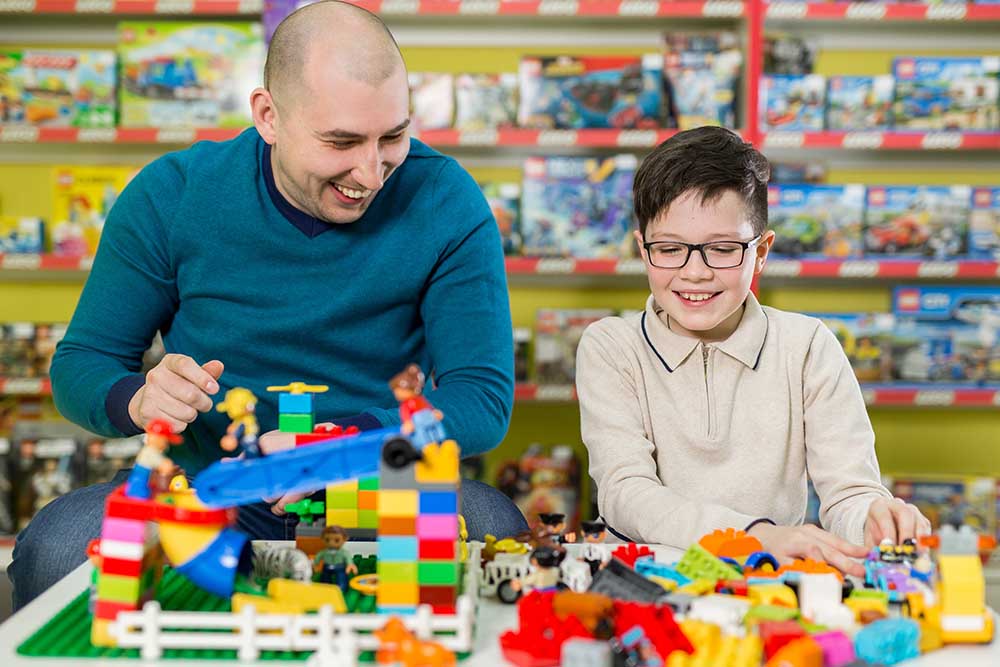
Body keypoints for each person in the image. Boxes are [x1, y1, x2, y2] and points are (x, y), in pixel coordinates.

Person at [9, 0, 527, 612]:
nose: (373, 171)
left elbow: (481, 400)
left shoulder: (447, 200)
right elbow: (81, 365)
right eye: (340, 141)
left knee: (497, 532)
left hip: (380, 483)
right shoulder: (172, 193)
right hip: (205, 492)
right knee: (59, 545)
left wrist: (342, 446)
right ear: (268, 116)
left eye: (393, 135)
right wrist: (139, 398)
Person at [575, 126, 930, 578]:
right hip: (643, 581)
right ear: (642, 249)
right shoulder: (611, 346)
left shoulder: (807, 347)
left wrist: (877, 519)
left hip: (768, 582)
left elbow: (849, 493)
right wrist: (755, 536)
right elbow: (626, 493)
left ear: (761, 252)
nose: (695, 272)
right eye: (670, 249)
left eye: (722, 249)